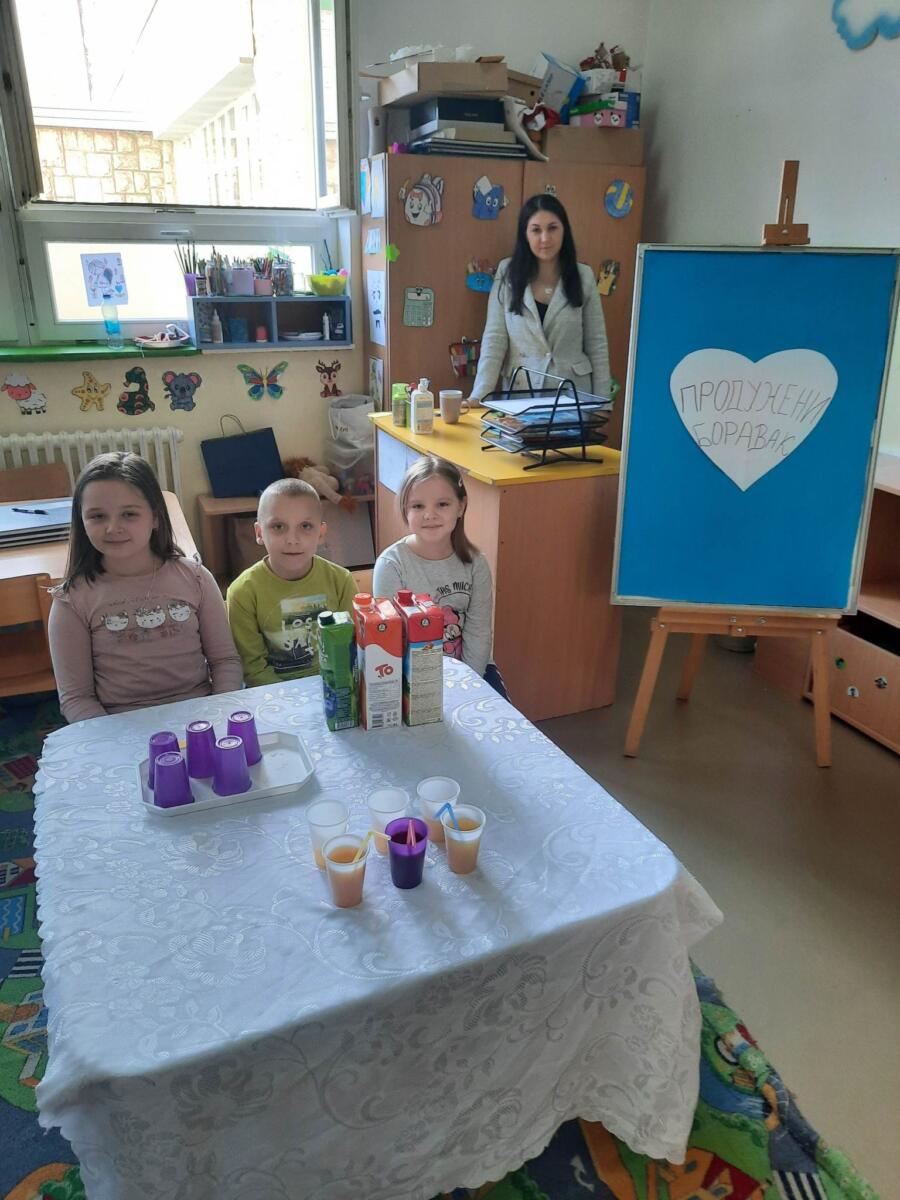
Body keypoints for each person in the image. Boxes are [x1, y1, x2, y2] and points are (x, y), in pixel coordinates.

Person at [48, 452, 242, 723]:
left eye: (129, 514)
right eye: (97, 516)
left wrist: (219, 716)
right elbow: (77, 698)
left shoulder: (196, 578)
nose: (112, 528)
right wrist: (113, 740)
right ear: (81, 521)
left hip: (202, 719)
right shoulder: (72, 599)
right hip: (118, 727)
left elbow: (225, 662)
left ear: (155, 517)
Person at [372, 456, 506, 694]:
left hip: (471, 670)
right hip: (411, 677)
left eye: (442, 504)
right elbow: (390, 640)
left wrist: (466, 685)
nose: (430, 514)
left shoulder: (476, 564)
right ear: (405, 509)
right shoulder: (391, 565)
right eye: (418, 506)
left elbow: (479, 632)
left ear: (461, 506)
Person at [468, 193, 611, 403]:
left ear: (564, 230)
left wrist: (602, 402)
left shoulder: (584, 276)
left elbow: (597, 344)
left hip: (573, 397)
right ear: (525, 234)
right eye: (536, 230)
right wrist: (479, 395)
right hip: (521, 395)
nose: (545, 238)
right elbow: (494, 339)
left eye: (552, 228)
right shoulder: (507, 273)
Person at [226, 478, 356, 685]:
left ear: (321, 533)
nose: (292, 539)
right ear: (259, 533)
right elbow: (253, 667)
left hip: (334, 688)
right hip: (272, 694)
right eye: (278, 526)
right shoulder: (242, 592)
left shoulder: (341, 581)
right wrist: (289, 698)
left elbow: (351, 651)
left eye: (305, 526)